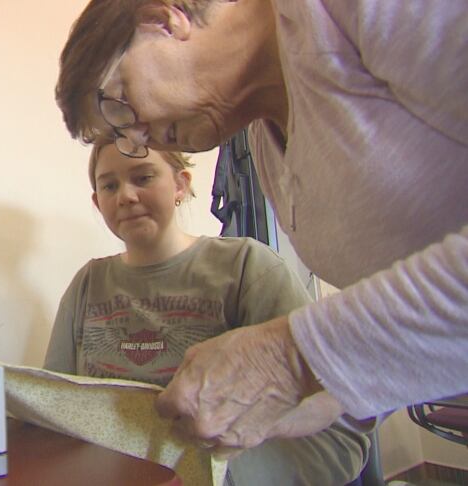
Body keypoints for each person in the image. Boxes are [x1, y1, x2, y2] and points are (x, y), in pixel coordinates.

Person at [54, 0, 468, 452]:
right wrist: (324, 397)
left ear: (162, 19)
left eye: (120, 107)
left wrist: (293, 356)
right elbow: (410, 310)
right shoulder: (265, 146)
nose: (136, 140)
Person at [44, 143, 368, 485]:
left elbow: (336, 433)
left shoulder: (248, 268)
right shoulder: (86, 284)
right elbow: (53, 409)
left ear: (180, 185)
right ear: (98, 201)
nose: (125, 195)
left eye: (143, 177)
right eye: (109, 185)